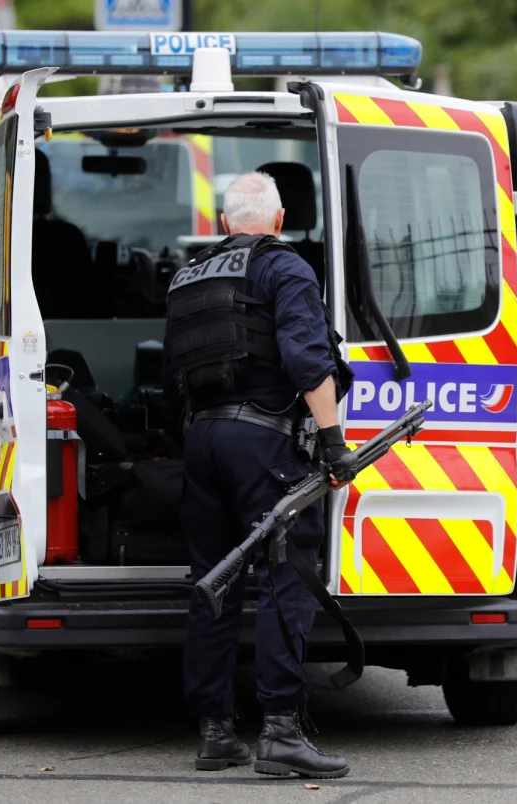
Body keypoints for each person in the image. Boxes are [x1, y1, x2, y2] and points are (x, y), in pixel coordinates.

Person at [164, 172, 357, 779]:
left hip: (201, 441)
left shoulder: (187, 275)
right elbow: (307, 358)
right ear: (277, 221)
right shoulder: (285, 268)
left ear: (225, 224)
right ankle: (280, 731)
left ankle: (216, 732)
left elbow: (172, 371)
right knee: (284, 576)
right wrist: (332, 443)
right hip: (263, 443)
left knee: (214, 577)